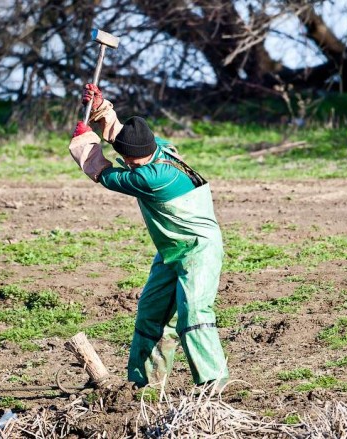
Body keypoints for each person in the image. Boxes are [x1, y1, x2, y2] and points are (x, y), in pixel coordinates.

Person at [69, 83, 229, 389]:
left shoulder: (153, 177)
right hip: (171, 250)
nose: (130, 165)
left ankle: (214, 385)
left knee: (193, 314)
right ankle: (143, 386)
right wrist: (101, 110)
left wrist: (84, 143)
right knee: (150, 314)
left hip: (199, 250)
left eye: (132, 163)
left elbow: (103, 173)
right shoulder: (160, 146)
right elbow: (125, 138)